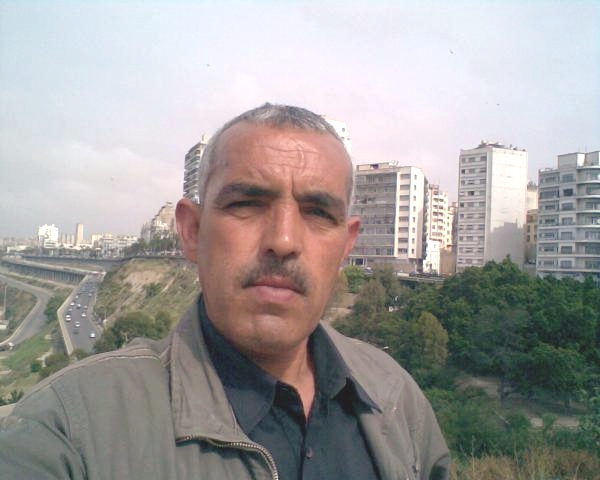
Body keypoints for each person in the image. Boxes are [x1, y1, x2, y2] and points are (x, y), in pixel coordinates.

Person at [0, 104, 449, 479]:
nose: (284, 241)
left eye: (317, 212)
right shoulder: (71, 429)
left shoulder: (395, 399)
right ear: (192, 231)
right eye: (247, 204)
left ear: (346, 246)